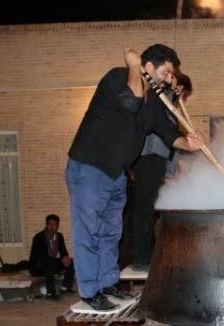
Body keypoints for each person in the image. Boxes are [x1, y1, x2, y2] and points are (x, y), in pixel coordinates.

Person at [66, 44, 202, 311]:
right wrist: (132, 66)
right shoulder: (117, 77)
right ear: (148, 67)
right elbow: (130, 102)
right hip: (90, 168)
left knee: (111, 233)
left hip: (116, 174)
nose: (169, 78)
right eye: (165, 71)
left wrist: (189, 144)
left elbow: (166, 132)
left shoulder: (154, 102)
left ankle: (107, 284)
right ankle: (90, 291)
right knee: (89, 231)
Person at [131, 72, 193, 271]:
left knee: (150, 209)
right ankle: (140, 256)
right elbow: (162, 132)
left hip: (157, 158)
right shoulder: (160, 97)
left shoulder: (169, 101)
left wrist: (169, 171)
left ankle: (146, 253)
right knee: (145, 209)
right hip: (148, 156)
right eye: (182, 91)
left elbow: (171, 139)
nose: (181, 95)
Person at [29, 214, 75, 299]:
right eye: (49, 224)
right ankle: (50, 293)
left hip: (51, 263)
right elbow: (41, 257)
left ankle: (65, 287)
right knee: (51, 263)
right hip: (38, 266)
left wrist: (65, 257)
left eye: (54, 224)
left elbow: (63, 250)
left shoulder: (59, 236)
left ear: (58, 226)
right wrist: (59, 259)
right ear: (46, 225)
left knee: (71, 262)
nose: (52, 227)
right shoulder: (39, 237)